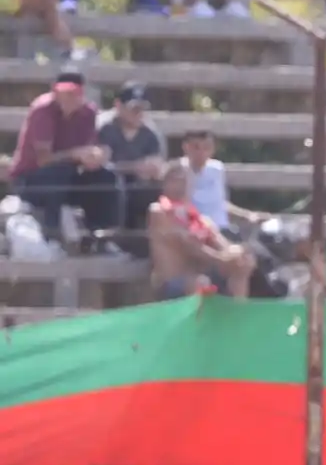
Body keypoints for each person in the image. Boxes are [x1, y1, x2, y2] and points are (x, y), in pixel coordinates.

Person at [8, 68, 122, 243]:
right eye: (64, 92)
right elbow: (44, 159)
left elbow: (92, 147)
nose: (69, 97)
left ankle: (102, 236)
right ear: (55, 91)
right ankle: (52, 237)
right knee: (59, 172)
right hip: (30, 179)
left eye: (74, 93)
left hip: (70, 175)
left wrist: (97, 156)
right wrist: (76, 154)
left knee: (106, 175)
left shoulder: (89, 113)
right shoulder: (42, 110)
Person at [148, 160, 256, 299]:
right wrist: (220, 259)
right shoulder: (158, 212)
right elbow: (187, 244)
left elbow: (221, 243)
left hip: (205, 272)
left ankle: (238, 315)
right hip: (172, 281)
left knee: (243, 263)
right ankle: (201, 320)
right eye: (174, 180)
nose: (181, 185)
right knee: (200, 282)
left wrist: (235, 254)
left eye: (185, 180)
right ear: (164, 184)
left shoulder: (200, 218)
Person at [96, 82, 166, 232]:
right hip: (108, 184)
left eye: (142, 108)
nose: (139, 113)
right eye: (134, 108)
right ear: (118, 106)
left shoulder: (150, 134)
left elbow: (157, 163)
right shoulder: (105, 128)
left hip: (138, 184)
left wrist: (153, 169)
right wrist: (134, 167)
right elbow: (101, 164)